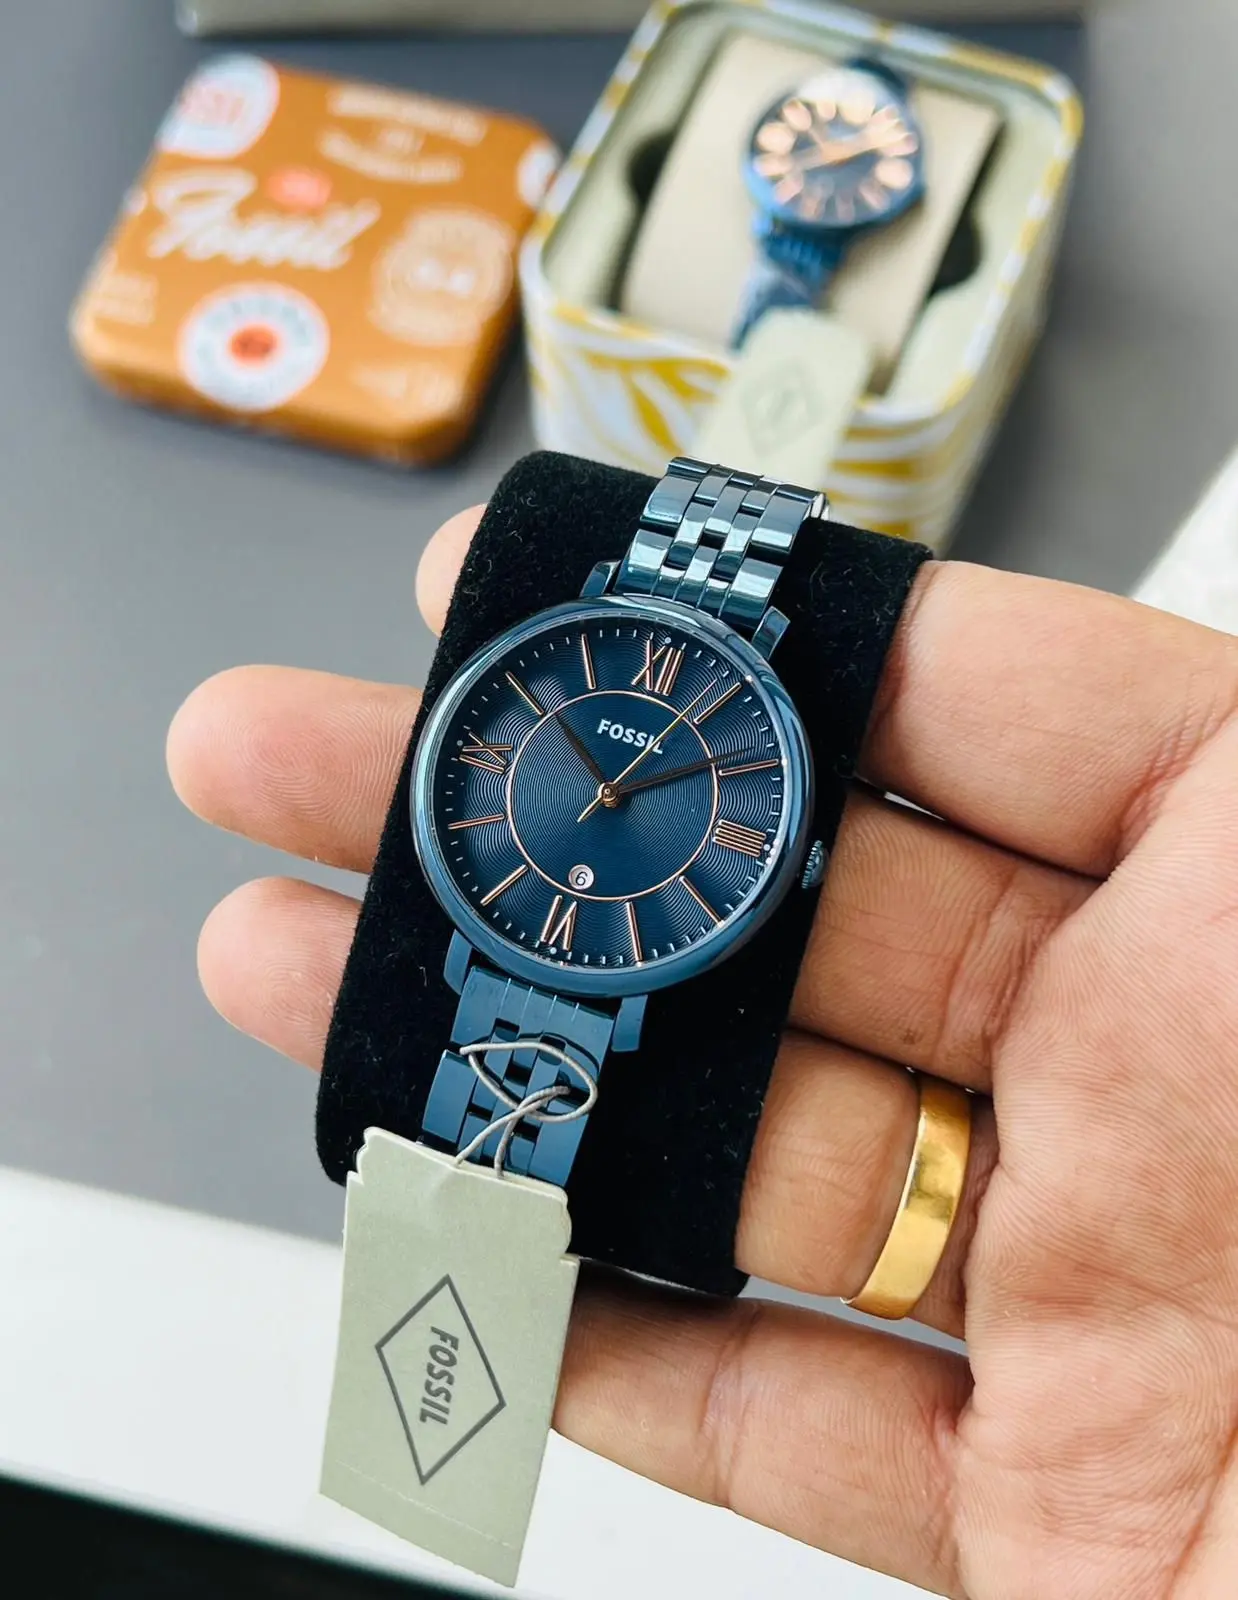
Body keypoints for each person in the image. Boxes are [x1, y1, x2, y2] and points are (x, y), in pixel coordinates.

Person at [166, 502, 1238, 1600]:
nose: (605, 794)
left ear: (797, 851)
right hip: (494, 941)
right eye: (599, 783)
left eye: (620, 792)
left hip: (610, 981)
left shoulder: (744, 799)